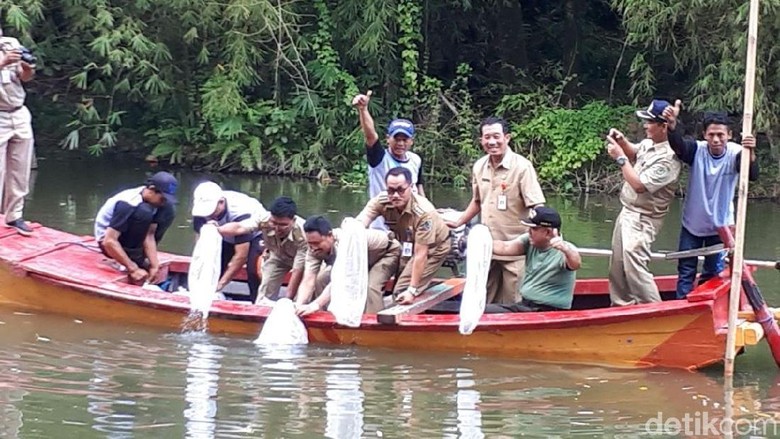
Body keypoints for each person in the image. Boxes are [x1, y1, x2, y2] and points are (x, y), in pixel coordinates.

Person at [445, 116, 546, 304]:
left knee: (514, 302)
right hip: (487, 248)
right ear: (481, 141)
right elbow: (477, 202)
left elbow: (536, 205)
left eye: (496, 136)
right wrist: (458, 222)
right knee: (484, 299)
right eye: (487, 137)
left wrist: (544, 233)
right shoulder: (479, 166)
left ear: (507, 138)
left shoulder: (522, 167)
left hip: (515, 248)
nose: (492, 142)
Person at [663, 102, 758, 298]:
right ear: (704, 135)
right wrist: (672, 126)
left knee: (713, 273)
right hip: (693, 224)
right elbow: (679, 145)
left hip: (720, 227)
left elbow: (752, 173)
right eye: (711, 135)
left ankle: (705, 308)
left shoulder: (737, 153)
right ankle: (681, 308)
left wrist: (751, 151)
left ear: (729, 135)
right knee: (686, 271)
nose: (716, 140)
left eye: (720, 135)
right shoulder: (696, 150)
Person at [606, 99, 682, 306]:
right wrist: (622, 142)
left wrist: (620, 159)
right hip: (627, 212)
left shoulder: (669, 159)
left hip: (644, 218)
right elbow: (635, 151)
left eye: (649, 122)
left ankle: (654, 309)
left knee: (634, 264)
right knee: (618, 265)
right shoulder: (650, 143)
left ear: (663, 126)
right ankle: (621, 306)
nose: (645, 126)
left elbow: (640, 186)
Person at [356, 167, 451, 305]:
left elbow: (421, 255)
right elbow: (362, 221)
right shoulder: (382, 201)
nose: (395, 195)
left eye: (400, 190)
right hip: (408, 243)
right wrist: (352, 229)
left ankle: (404, 315)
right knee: (399, 275)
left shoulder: (424, 213)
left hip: (434, 247)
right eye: (390, 190)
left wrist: (412, 290)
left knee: (402, 290)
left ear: (411, 187)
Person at [295, 215, 401, 316]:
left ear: (330, 236)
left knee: (371, 286)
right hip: (360, 261)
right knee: (321, 279)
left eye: (317, 243)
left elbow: (340, 280)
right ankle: (325, 316)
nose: (313, 248)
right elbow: (308, 280)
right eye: (310, 243)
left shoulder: (346, 243)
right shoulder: (313, 250)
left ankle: (374, 323)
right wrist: (298, 306)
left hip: (385, 253)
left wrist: (314, 305)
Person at [485, 207, 581, 312]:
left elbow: (575, 263)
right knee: (481, 309)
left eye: (534, 229)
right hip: (526, 305)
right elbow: (504, 247)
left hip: (548, 310)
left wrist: (565, 249)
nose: (529, 232)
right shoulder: (529, 241)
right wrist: (478, 242)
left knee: (485, 312)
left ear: (548, 232)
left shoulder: (564, 251)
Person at [352, 91, 424, 230]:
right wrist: (363, 110)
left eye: (405, 139)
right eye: (397, 139)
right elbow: (370, 135)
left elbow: (419, 188)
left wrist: (429, 211)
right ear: (388, 139)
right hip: (382, 228)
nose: (401, 143)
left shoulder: (416, 160)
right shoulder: (379, 158)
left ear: (411, 141)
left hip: (411, 225)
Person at [94, 172, 178, 285]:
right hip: (108, 241)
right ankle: (129, 259)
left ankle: (138, 257)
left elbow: (149, 234)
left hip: (130, 238)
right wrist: (133, 268)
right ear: (151, 189)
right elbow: (109, 241)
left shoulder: (155, 203)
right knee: (144, 213)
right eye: (162, 198)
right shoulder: (128, 203)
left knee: (169, 210)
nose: (163, 202)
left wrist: (154, 265)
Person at [190, 181, 268, 302]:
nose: (209, 217)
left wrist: (221, 284)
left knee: (253, 271)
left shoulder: (240, 212)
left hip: (254, 233)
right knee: (211, 266)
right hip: (223, 233)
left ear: (221, 202)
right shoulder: (200, 209)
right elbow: (199, 242)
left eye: (212, 213)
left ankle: (258, 302)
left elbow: (241, 256)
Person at [0, 29, 36, 236]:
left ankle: (15, 215)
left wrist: (27, 67)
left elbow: (25, 78)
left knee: (20, 169)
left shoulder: (10, 43)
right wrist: (2, 62)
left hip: (19, 112)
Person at [249, 197, 308, 303]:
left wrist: (287, 301)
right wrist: (218, 229)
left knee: (303, 294)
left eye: (283, 225)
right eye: (274, 223)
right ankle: (261, 308)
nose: (277, 228)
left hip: (304, 262)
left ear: (293, 221)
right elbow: (241, 227)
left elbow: (297, 270)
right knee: (266, 285)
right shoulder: (264, 219)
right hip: (278, 256)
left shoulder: (303, 233)